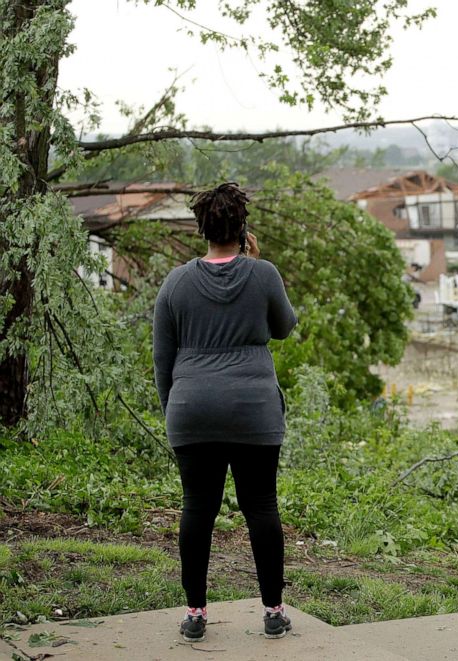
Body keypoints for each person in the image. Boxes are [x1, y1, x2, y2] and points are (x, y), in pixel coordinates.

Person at [152, 183, 297, 643]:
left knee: (197, 508)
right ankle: (273, 612)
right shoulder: (264, 274)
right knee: (261, 506)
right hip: (253, 409)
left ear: (202, 229)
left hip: (191, 409)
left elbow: (163, 359)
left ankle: (195, 615)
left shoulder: (175, 283)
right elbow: (284, 328)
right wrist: (258, 267)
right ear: (243, 227)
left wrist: (174, 410)